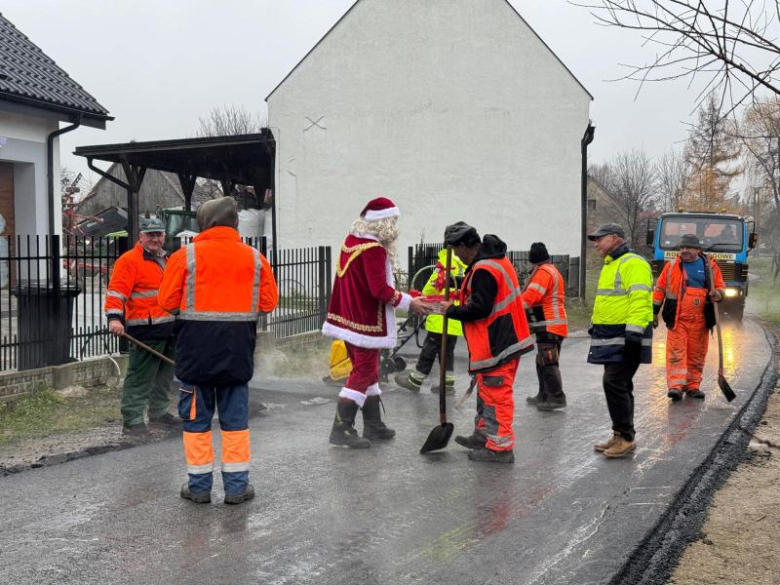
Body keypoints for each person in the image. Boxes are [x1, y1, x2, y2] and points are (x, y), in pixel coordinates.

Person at [158, 197, 278, 505]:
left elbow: (166, 302)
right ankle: (237, 487)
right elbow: (267, 304)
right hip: (236, 355)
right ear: (234, 223)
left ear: (203, 222)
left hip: (194, 357)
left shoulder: (185, 256)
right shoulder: (254, 258)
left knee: (196, 422)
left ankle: (199, 489)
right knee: (235, 421)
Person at [322, 197, 430, 449]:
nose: (395, 227)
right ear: (384, 223)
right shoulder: (374, 249)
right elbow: (379, 290)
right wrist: (409, 303)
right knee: (363, 372)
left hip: (348, 319)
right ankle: (341, 428)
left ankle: (373, 424)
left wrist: (407, 295)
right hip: (366, 323)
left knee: (368, 371)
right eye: (393, 220)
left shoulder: (351, 241)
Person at [439, 222, 534, 464]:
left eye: (454, 249)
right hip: (501, 340)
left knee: (496, 395)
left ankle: (500, 448)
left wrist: (452, 310)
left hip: (498, 343)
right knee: (486, 391)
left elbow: (479, 308)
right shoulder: (494, 261)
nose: (456, 255)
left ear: (461, 246)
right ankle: (483, 435)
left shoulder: (484, 269)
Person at [105, 217, 177, 437]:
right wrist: (114, 318)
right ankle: (133, 420)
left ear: (164, 236)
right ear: (141, 237)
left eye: (159, 234)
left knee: (165, 376)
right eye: (151, 235)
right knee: (140, 377)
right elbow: (116, 292)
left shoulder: (168, 259)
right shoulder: (129, 261)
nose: (155, 239)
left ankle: (159, 413)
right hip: (145, 330)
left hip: (170, 328)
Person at [588, 223, 653, 459]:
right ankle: (621, 434)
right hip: (611, 335)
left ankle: (625, 437)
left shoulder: (633, 263)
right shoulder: (611, 264)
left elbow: (640, 299)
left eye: (599, 239)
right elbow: (609, 301)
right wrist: (595, 324)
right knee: (620, 385)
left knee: (614, 383)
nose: (595, 243)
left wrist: (634, 333)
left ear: (616, 238)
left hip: (627, 337)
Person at [653, 233, 725, 401]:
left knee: (697, 354)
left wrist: (719, 294)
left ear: (697, 250)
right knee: (676, 353)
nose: (684, 251)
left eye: (688, 248)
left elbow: (721, 286)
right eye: (682, 248)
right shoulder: (671, 266)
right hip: (677, 318)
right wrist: (653, 311)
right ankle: (676, 387)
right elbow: (660, 289)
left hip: (700, 320)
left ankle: (692, 386)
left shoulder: (710, 266)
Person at [394, 248, 467, 395]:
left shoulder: (442, 269)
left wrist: (417, 297)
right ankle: (448, 385)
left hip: (439, 319)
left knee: (429, 350)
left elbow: (429, 290)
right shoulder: (462, 268)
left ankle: (415, 381)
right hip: (454, 320)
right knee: (447, 353)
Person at [521, 242, 569, 411]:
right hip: (551, 325)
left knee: (548, 361)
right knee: (542, 361)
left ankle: (556, 397)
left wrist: (511, 307)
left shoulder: (543, 273)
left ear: (534, 259)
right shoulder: (551, 270)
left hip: (550, 325)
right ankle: (544, 395)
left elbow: (530, 297)